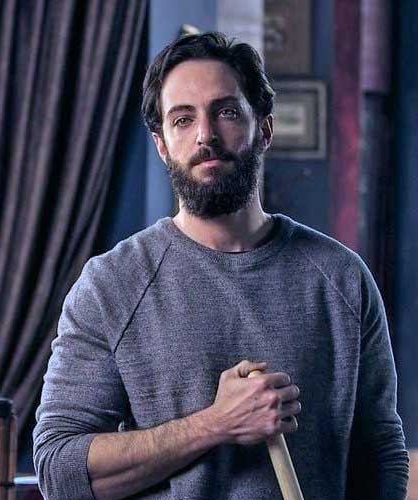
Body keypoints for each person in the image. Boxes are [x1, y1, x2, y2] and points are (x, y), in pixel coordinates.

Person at [33, 32, 408, 500]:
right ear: (162, 144)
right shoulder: (111, 286)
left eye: (226, 112)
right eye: (183, 119)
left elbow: (381, 455)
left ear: (264, 129)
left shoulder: (341, 278)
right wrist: (216, 424)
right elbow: (59, 470)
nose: (205, 136)